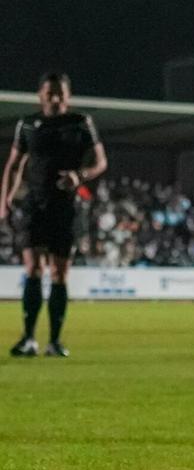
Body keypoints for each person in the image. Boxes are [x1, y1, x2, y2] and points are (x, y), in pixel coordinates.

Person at [2, 73, 107, 357]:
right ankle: (28, 339)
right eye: (50, 93)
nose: (56, 98)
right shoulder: (27, 125)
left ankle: (55, 341)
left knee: (60, 273)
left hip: (65, 206)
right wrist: (5, 199)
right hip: (35, 204)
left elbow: (100, 162)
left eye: (61, 93)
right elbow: (14, 164)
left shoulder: (80, 123)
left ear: (68, 96)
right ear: (41, 95)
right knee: (32, 269)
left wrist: (80, 175)